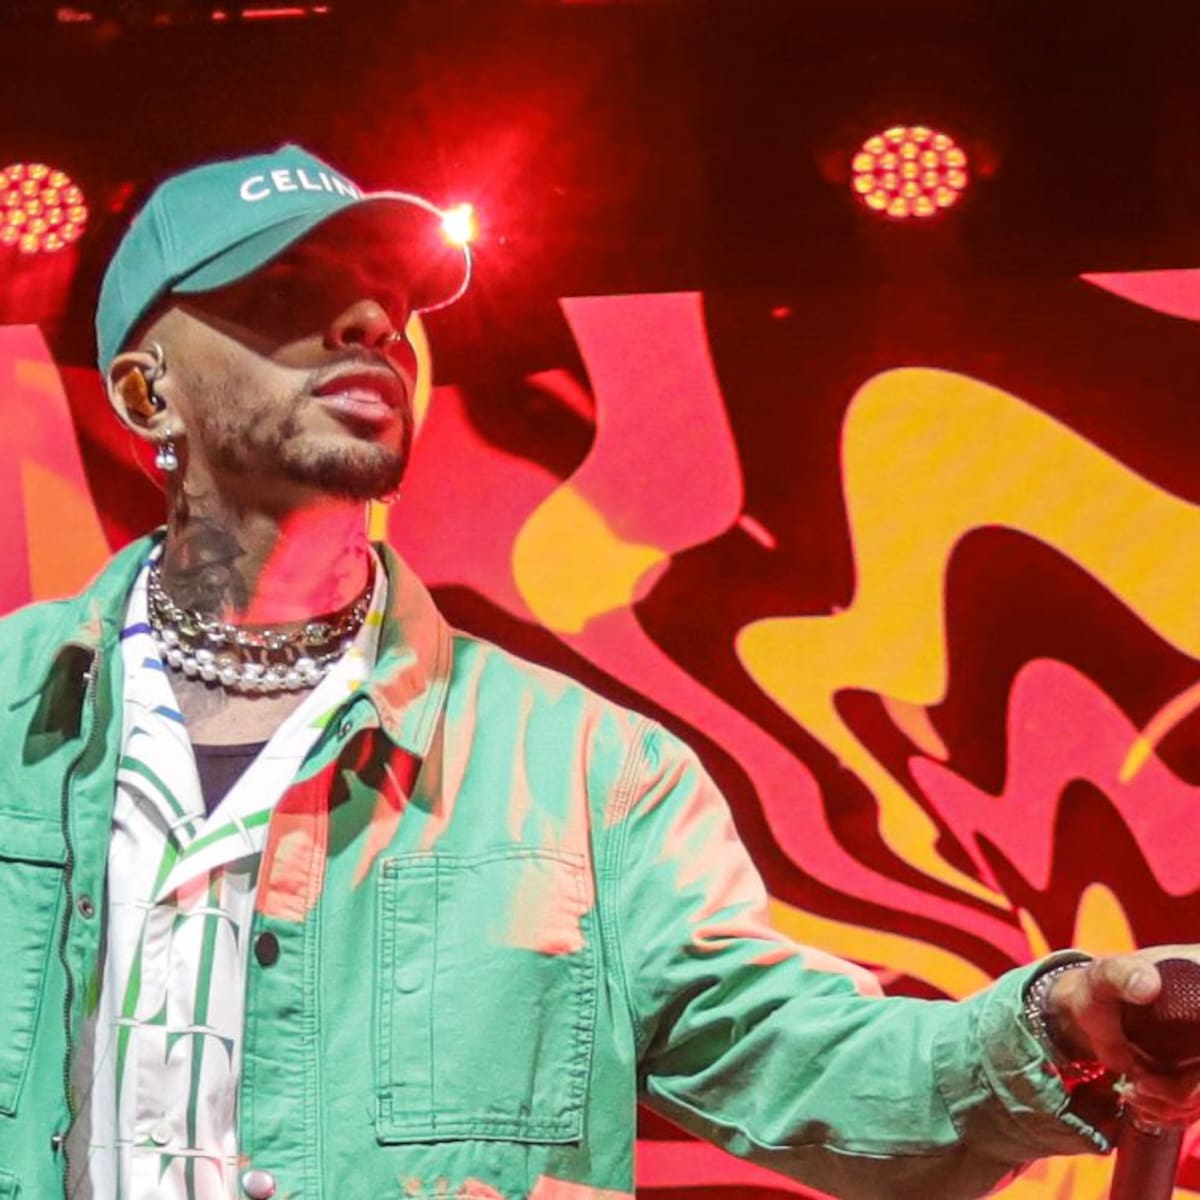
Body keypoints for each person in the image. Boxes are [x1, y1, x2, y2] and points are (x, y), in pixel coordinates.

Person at [0, 143, 1196, 1200]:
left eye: (386, 303)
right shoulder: (14, 710)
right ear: (146, 391)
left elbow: (798, 1058)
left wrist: (1054, 1024)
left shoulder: (587, 769)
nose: (368, 324)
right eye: (282, 294)